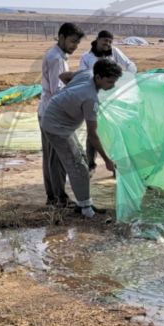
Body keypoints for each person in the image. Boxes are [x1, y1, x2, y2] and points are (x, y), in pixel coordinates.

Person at [40, 59, 122, 218]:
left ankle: (85, 203)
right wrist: (106, 159)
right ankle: (85, 209)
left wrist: (68, 96)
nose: (112, 86)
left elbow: (64, 76)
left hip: (58, 119)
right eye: (109, 82)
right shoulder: (90, 98)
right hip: (56, 127)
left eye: (114, 82)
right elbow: (92, 135)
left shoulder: (87, 73)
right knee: (78, 166)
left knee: (82, 160)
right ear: (98, 77)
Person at [38, 22, 84, 207]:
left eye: (77, 43)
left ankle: (53, 197)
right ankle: (59, 198)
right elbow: (57, 90)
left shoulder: (57, 56)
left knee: (51, 157)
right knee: (58, 157)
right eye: (72, 41)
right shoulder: (56, 58)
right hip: (53, 115)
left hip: (47, 112)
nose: (74, 46)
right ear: (62, 37)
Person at [79, 30, 136, 172]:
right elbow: (83, 76)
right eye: (105, 40)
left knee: (115, 131)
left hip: (114, 99)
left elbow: (130, 65)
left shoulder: (114, 52)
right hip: (95, 98)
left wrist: (124, 79)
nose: (108, 44)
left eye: (110, 41)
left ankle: (117, 165)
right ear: (97, 40)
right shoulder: (86, 57)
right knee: (93, 131)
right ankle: (91, 165)